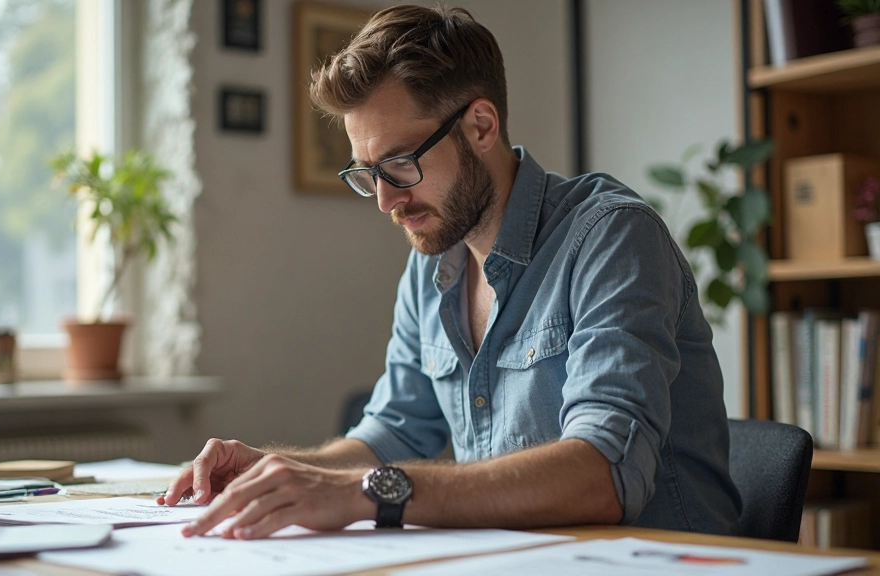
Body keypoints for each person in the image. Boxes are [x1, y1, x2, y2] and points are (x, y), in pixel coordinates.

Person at [159, 4, 741, 540]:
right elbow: (393, 435)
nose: (385, 201)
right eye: (367, 174)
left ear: (481, 126)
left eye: (400, 164)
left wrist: (365, 494)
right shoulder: (433, 262)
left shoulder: (612, 237)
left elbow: (605, 469)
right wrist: (275, 468)